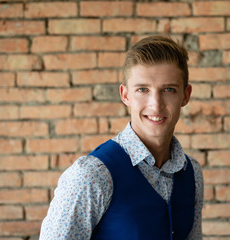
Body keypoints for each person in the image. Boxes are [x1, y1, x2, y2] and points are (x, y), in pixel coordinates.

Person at [39, 35, 204, 240]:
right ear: (125, 95)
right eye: (142, 89)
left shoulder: (192, 173)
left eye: (168, 89)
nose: (156, 105)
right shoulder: (92, 175)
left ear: (186, 95)